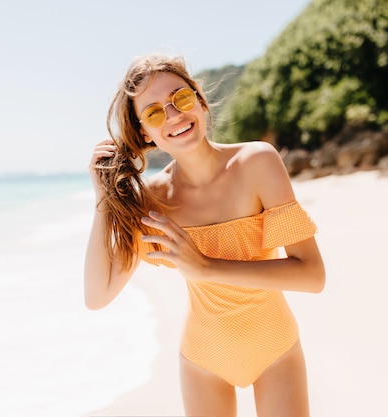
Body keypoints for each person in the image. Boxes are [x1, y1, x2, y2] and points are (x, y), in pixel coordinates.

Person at [84, 53, 325, 417]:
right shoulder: (153, 202)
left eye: (180, 98)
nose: (174, 116)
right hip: (203, 360)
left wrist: (207, 267)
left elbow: (312, 275)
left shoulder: (257, 163)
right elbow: (97, 295)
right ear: (143, 134)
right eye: (153, 113)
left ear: (200, 99)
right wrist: (103, 198)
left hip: (275, 348)